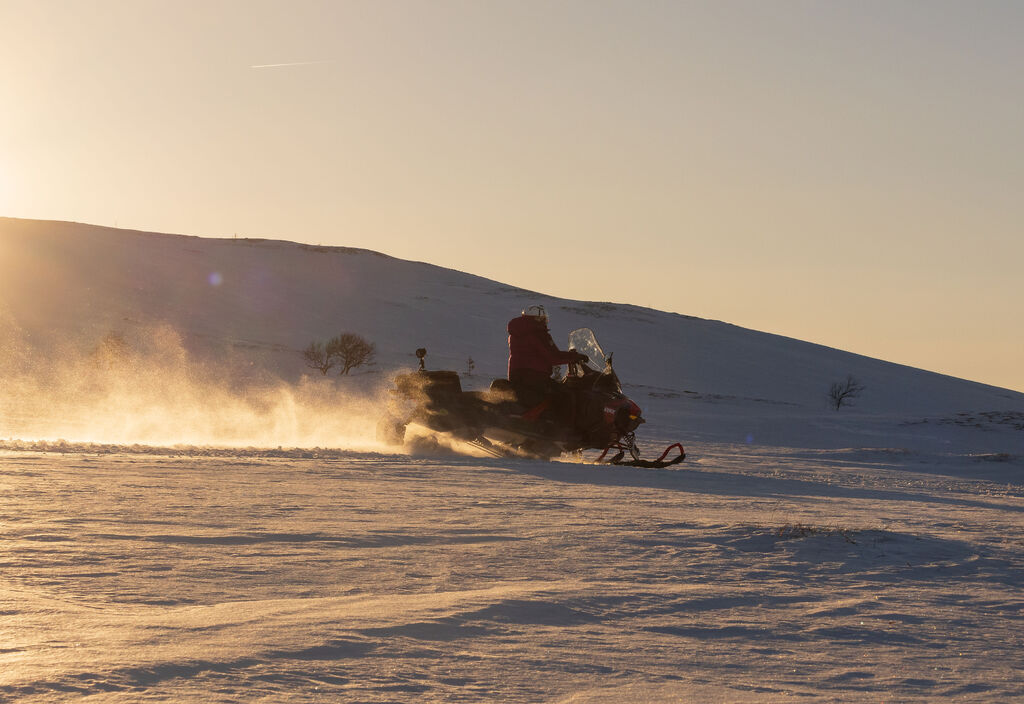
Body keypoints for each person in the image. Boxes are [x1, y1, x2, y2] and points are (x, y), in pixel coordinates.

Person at [507, 305, 587, 415]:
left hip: (516, 375)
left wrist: (571, 356)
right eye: (544, 318)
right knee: (566, 395)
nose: (546, 321)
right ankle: (560, 428)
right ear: (538, 318)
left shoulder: (516, 333)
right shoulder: (539, 334)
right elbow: (553, 357)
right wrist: (575, 357)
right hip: (536, 377)